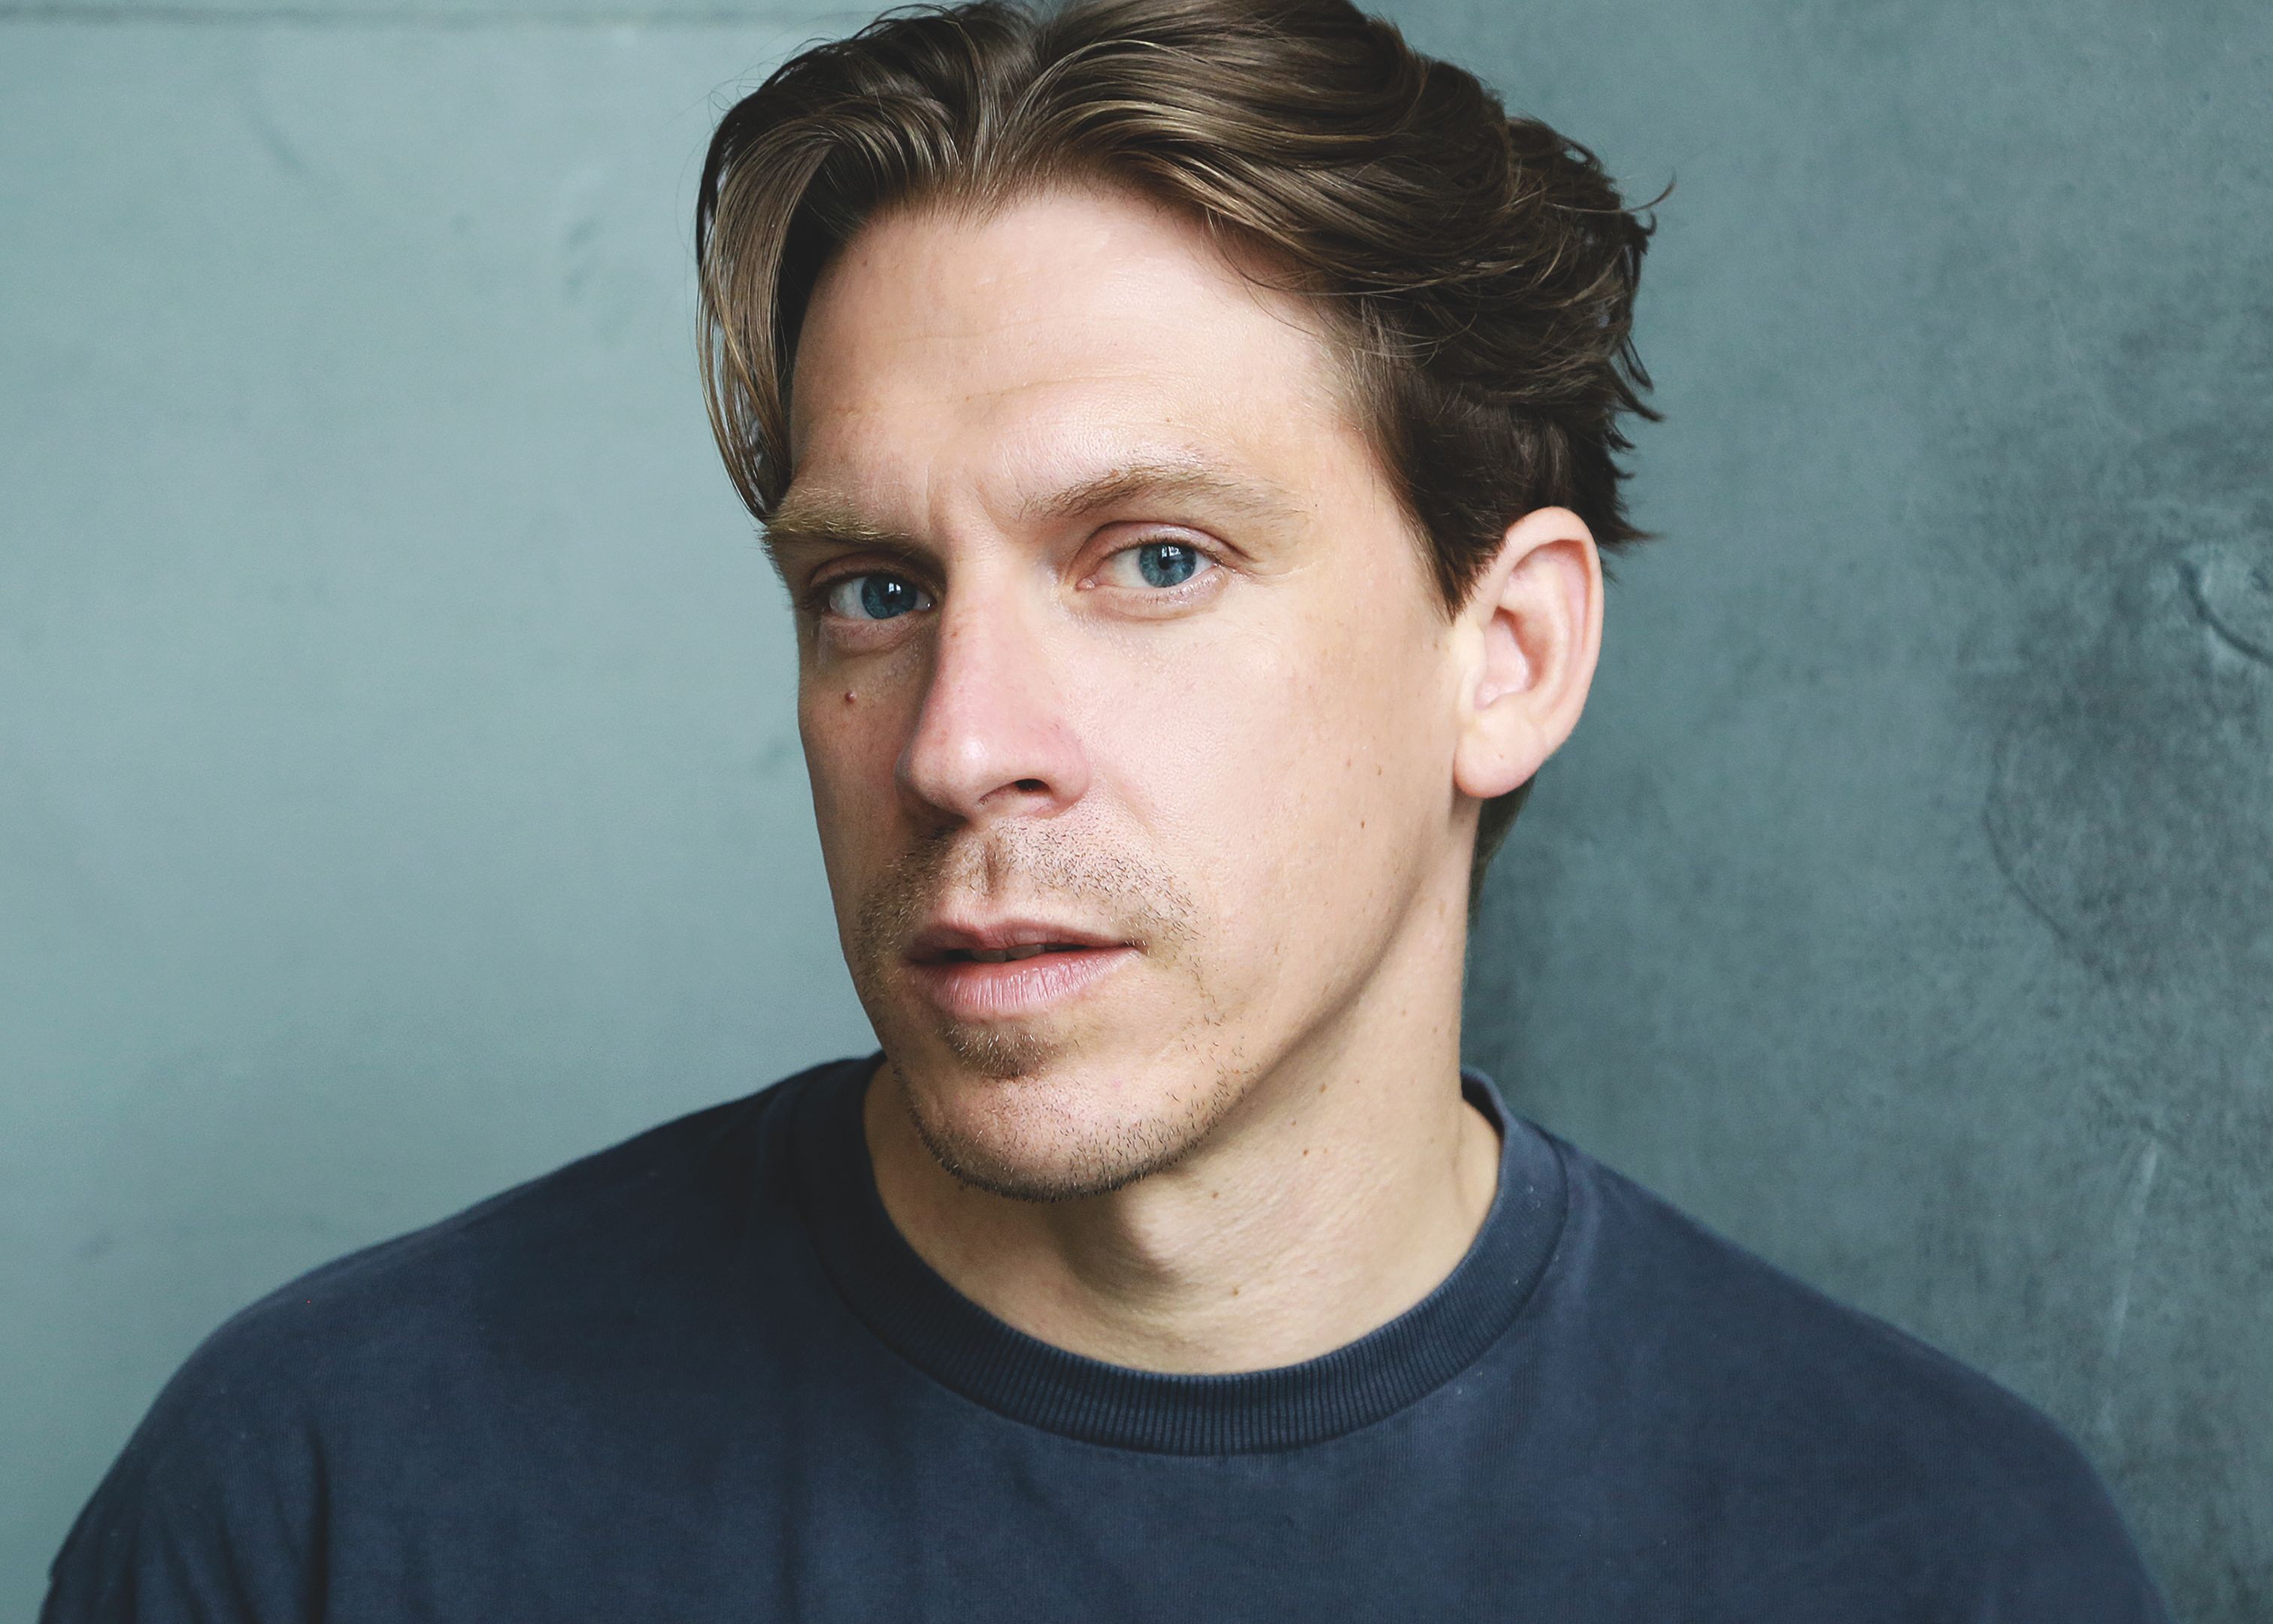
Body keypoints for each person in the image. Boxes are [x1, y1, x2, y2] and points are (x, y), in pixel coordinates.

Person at [44, 0, 2170, 1617]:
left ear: (1506, 655)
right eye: (875, 589)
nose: (958, 745)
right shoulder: (330, 1497)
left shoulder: (1929, 1555)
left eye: (1154, 559)